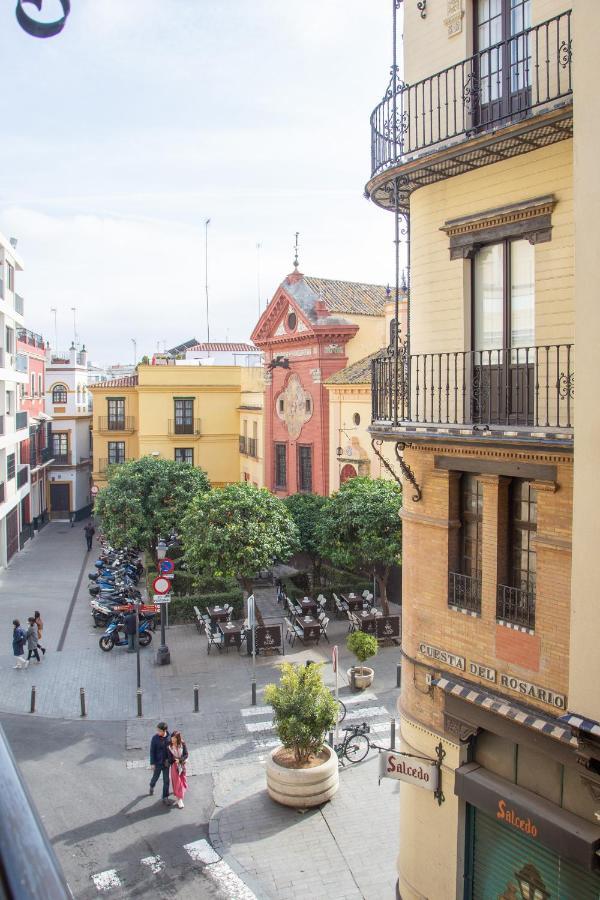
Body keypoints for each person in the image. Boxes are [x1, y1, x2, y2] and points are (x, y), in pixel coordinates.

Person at [149, 722, 171, 804]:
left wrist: (170, 761)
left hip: (166, 764)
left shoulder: (169, 737)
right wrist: (152, 763)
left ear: (165, 730)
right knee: (155, 777)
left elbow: (171, 750)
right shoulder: (155, 738)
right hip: (158, 763)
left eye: (159, 730)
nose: (158, 732)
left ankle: (165, 797)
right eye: (157, 730)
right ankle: (151, 785)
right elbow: (152, 751)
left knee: (166, 781)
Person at [167, 731, 189, 809]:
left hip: (182, 765)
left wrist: (180, 760)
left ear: (177, 738)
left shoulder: (182, 744)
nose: (172, 740)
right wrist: (174, 760)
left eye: (174, 738)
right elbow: (169, 759)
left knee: (182, 781)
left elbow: (186, 754)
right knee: (176, 782)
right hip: (174, 766)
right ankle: (179, 799)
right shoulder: (169, 746)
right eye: (172, 738)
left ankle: (179, 797)